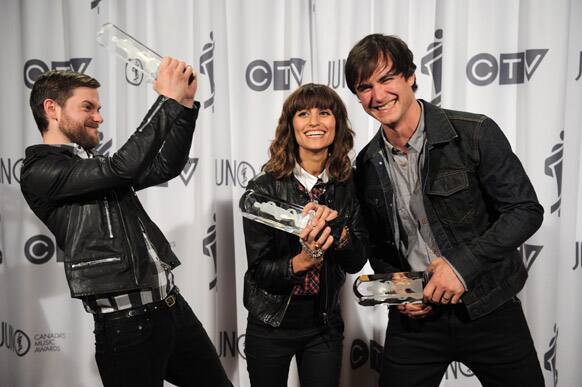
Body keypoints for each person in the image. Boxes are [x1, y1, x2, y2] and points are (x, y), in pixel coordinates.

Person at [345, 34, 545, 387]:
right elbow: (381, 246)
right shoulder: (367, 162)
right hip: (415, 321)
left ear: (409, 77)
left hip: (489, 307)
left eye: (387, 78)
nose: (377, 95)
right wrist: (400, 292)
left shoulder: (473, 133)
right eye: (365, 86)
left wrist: (461, 266)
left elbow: (525, 210)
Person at [20, 58, 232, 387]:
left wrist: (185, 106)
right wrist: (166, 100)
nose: (99, 117)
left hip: (172, 309)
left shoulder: (90, 165)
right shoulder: (39, 171)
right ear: (52, 108)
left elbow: (164, 167)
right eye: (87, 107)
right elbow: (123, 168)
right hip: (125, 326)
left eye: (99, 108)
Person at [241, 83, 367, 387]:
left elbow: (356, 261)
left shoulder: (349, 185)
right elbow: (260, 273)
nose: (314, 122)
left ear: (336, 123)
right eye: (303, 114)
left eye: (324, 113)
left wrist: (339, 231)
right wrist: (302, 261)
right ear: (290, 125)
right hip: (270, 322)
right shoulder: (264, 189)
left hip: (323, 324)